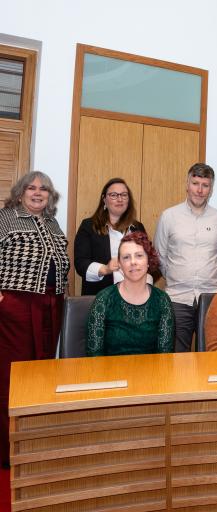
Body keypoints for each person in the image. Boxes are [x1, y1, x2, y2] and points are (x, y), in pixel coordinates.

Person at [0, 171, 69, 468]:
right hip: (16, 304)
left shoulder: (52, 223)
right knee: (11, 376)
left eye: (44, 189)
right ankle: (7, 450)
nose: (38, 193)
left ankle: (31, 442)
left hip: (51, 304)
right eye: (31, 188)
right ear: (20, 192)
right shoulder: (5, 217)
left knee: (40, 373)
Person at [154, 163, 217, 352]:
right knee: (177, 356)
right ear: (187, 184)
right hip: (177, 298)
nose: (199, 190)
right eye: (195, 183)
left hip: (211, 297)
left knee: (212, 353)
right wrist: (178, 276)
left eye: (205, 185)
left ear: (211, 189)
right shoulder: (169, 216)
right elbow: (160, 255)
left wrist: (208, 274)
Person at [86, 232, 174, 356]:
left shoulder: (162, 300)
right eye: (126, 257)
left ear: (149, 261)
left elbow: (165, 356)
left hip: (151, 373)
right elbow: (94, 356)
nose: (133, 262)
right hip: (111, 374)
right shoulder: (104, 299)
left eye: (139, 256)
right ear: (120, 265)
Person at [74, 178, 149, 296]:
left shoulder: (137, 227)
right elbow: (80, 264)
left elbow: (148, 260)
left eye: (124, 195)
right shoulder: (89, 226)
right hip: (100, 296)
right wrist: (105, 269)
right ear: (104, 199)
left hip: (134, 296)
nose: (120, 199)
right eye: (114, 195)